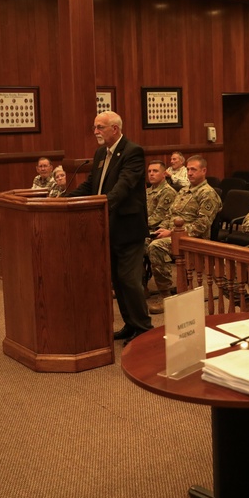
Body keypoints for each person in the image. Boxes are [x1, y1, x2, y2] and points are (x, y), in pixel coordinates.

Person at [66, 111, 151, 344]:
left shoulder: (132, 152)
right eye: (94, 127)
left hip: (128, 227)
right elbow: (92, 185)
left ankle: (144, 328)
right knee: (117, 280)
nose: (95, 132)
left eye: (100, 127)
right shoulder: (101, 153)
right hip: (106, 226)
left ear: (115, 129)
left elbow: (124, 187)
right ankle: (130, 323)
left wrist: (102, 205)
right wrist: (65, 199)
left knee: (130, 280)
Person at [147, 155, 223, 314]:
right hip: (174, 234)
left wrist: (172, 233)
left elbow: (202, 224)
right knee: (142, 240)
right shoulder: (183, 190)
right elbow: (169, 214)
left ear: (204, 171)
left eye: (193, 169)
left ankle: (165, 296)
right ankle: (141, 286)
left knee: (156, 247)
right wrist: (161, 229)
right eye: (188, 169)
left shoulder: (207, 193)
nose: (189, 173)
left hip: (193, 239)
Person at [146, 160, 176, 233]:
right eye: (149, 171)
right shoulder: (147, 191)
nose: (151, 174)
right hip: (145, 227)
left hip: (157, 229)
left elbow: (159, 217)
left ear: (164, 174)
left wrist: (138, 225)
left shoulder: (167, 191)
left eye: (155, 171)